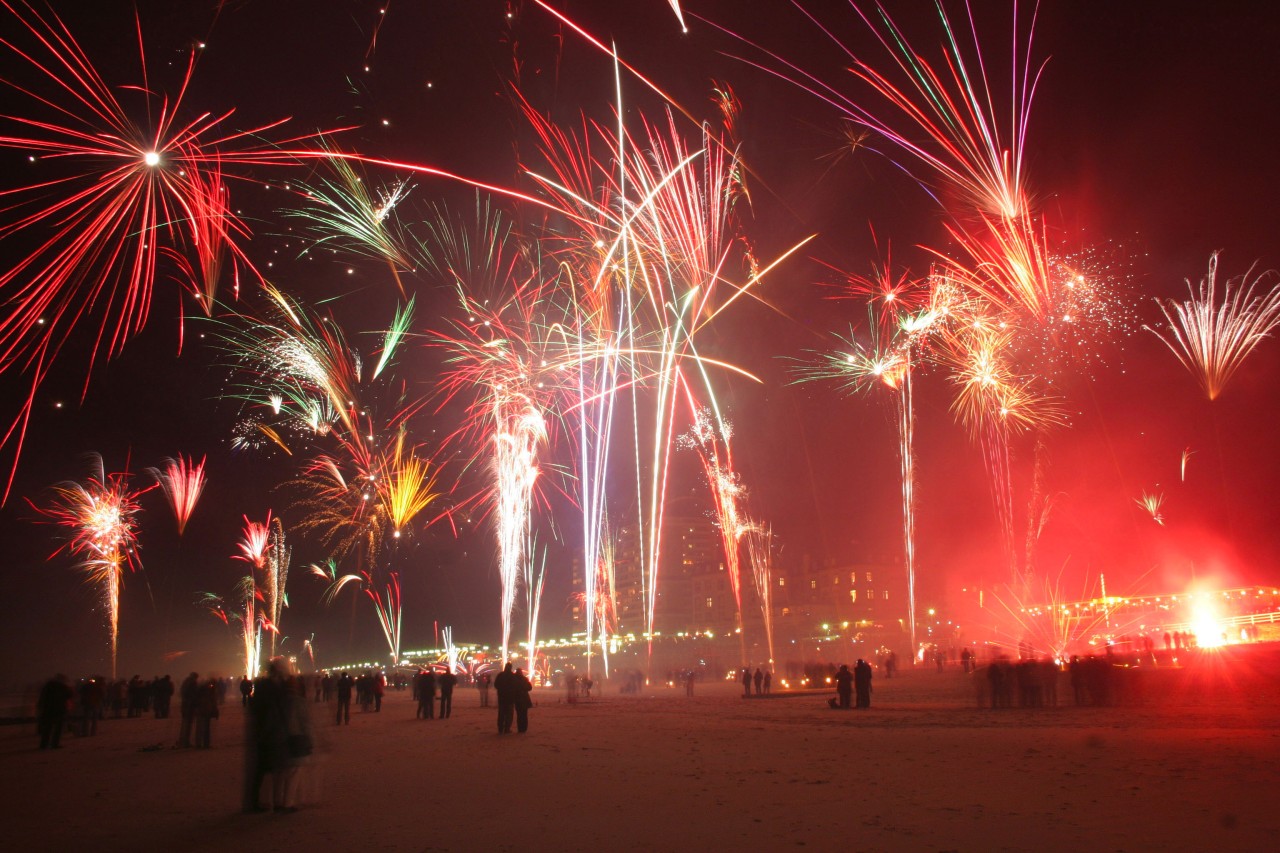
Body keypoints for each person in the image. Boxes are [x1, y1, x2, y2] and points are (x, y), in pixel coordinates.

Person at [37, 674, 73, 749]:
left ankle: (44, 745)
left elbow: (42, 697)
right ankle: (54, 744)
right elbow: (69, 695)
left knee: (47, 728)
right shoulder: (63, 687)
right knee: (58, 729)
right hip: (59, 710)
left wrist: (41, 707)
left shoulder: (48, 686)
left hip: (48, 709)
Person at [194, 677, 219, 748]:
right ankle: (202, 744)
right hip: (204, 711)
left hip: (205, 711)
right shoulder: (207, 691)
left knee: (204, 728)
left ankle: (203, 743)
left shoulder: (206, 689)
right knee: (203, 728)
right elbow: (211, 702)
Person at [176, 672, 199, 748]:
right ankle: (185, 742)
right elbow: (194, 695)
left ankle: (182, 740)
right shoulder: (192, 683)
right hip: (189, 706)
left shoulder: (186, 682)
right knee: (188, 725)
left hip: (185, 705)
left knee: (184, 724)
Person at [493, 663, 517, 734]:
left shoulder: (500, 675)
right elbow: (515, 686)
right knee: (509, 714)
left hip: (501, 697)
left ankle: (500, 729)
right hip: (510, 698)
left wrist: (501, 690)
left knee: (501, 714)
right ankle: (507, 728)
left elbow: (496, 684)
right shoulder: (513, 676)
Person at [514, 668, 534, 733]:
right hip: (525, 698)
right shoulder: (525, 679)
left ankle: (520, 728)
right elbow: (530, 688)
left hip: (517, 699)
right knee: (524, 715)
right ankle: (524, 728)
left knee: (519, 715)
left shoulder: (514, 680)